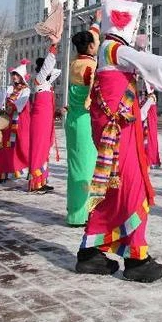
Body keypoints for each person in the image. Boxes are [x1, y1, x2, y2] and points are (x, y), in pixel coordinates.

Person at [75, 0, 162, 283]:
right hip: (118, 136)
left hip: (118, 134)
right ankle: (136, 258)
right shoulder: (113, 48)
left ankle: (91, 252)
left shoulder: (109, 50)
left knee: (114, 192)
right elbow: (150, 63)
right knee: (135, 191)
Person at [64, 18, 101, 226]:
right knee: (88, 169)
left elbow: (90, 38)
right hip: (86, 121)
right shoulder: (91, 67)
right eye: (94, 43)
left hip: (73, 120)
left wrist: (96, 23)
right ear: (90, 46)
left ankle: (75, 213)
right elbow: (96, 93)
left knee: (75, 168)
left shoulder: (74, 63)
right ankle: (85, 214)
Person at [0, 61, 32, 183]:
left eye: (16, 74)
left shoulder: (26, 90)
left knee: (21, 146)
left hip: (19, 123)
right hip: (7, 123)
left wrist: (12, 106)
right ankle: (2, 173)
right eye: (13, 74)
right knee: (4, 146)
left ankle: (30, 168)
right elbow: (0, 97)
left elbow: (21, 104)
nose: (14, 77)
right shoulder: (8, 88)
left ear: (22, 77)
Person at [27, 40, 61, 193]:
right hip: (40, 121)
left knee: (45, 149)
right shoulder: (39, 80)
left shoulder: (47, 84)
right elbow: (48, 67)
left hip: (46, 120)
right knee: (38, 149)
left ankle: (42, 180)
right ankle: (35, 182)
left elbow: (56, 71)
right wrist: (53, 48)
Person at [140, 85, 161, 169]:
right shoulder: (147, 98)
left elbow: (143, 112)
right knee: (149, 139)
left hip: (148, 122)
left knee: (148, 140)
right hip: (148, 122)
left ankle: (149, 160)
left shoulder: (151, 98)